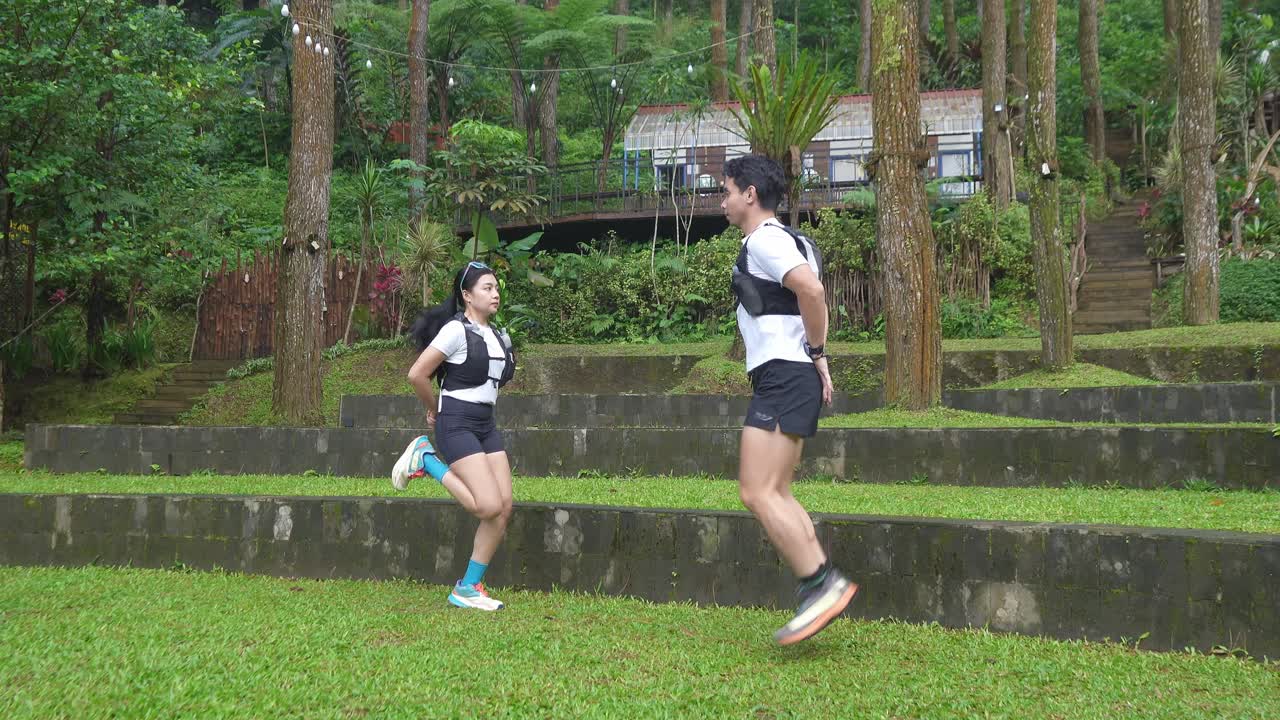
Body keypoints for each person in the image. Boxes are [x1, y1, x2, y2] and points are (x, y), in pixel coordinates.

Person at [722, 154, 859, 645]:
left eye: (728, 190)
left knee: (757, 490)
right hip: (790, 374)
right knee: (774, 490)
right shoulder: (792, 240)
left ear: (750, 194)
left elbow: (811, 290)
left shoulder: (766, 239)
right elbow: (804, 301)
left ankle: (821, 584)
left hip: (782, 375)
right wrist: (816, 357)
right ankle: (819, 582)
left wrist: (816, 351)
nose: (724, 200)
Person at [391, 260, 517, 612]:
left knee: (503, 508)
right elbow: (417, 374)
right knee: (487, 505)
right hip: (456, 422)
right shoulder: (454, 331)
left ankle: (468, 587)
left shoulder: (497, 334)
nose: (495, 294)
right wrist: (436, 409)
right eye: (486, 288)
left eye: (496, 288)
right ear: (466, 295)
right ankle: (425, 459)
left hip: (485, 424)